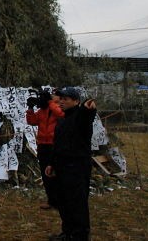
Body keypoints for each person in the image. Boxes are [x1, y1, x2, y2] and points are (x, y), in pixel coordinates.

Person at [45, 87, 97, 241]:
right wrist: (51, 164)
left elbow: (86, 116)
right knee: (64, 202)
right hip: (61, 167)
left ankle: (79, 235)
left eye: (66, 99)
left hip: (77, 168)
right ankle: (67, 233)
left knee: (77, 203)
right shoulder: (63, 120)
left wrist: (89, 110)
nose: (61, 102)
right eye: (60, 98)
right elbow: (58, 144)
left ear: (76, 101)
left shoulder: (80, 117)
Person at [26, 89, 64, 210]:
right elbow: (32, 121)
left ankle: (61, 200)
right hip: (42, 145)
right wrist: (31, 109)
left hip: (55, 145)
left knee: (56, 173)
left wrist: (50, 103)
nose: (53, 96)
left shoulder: (59, 108)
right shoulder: (43, 110)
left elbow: (60, 114)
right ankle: (52, 200)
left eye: (55, 95)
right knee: (45, 174)